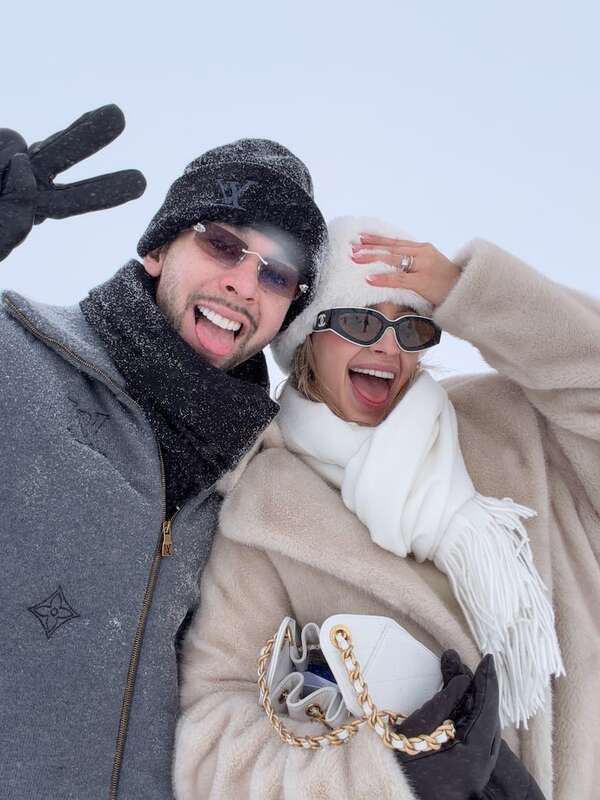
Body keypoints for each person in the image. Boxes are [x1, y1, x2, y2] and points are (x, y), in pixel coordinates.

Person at [175, 215, 600, 799]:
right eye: (359, 320)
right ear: (306, 338)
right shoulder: (263, 514)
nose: (388, 345)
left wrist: (466, 293)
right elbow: (210, 741)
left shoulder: (514, 427)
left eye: (412, 327)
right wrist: (395, 777)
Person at [0, 105, 327, 799]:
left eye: (276, 275)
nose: (244, 283)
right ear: (157, 250)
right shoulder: (17, 358)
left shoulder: (257, 479)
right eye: (222, 244)